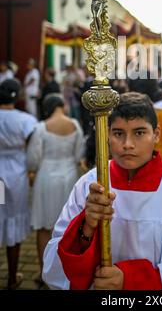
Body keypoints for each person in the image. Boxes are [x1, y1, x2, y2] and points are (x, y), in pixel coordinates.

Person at [42, 92, 162, 290]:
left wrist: (130, 279)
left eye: (139, 132)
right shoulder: (90, 184)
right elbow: (54, 265)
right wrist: (87, 226)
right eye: (118, 133)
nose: (127, 144)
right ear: (107, 134)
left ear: (156, 134)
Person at [26, 93, 84, 284]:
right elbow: (78, 155)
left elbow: (33, 159)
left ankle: (44, 273)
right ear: (61, 105)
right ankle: (64, 271)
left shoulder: (41, 128)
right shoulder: (75, 125)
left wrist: (32, 172)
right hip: (69, 178)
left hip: (46, 178)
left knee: (44, 227)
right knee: (68, 226)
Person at [0, 79, 37, 289]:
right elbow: (32, 145)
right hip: (16, 175)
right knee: (13, 218)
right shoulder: (26, 120)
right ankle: (12, 277)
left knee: (0, 214)